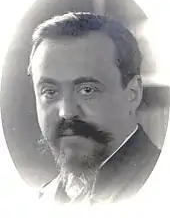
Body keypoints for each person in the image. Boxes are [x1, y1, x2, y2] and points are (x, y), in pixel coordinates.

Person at [27, 12, 160, 204]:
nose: (67, 112)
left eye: (87, 90)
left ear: (133, 94)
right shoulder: (40, 200)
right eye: (49, 92)